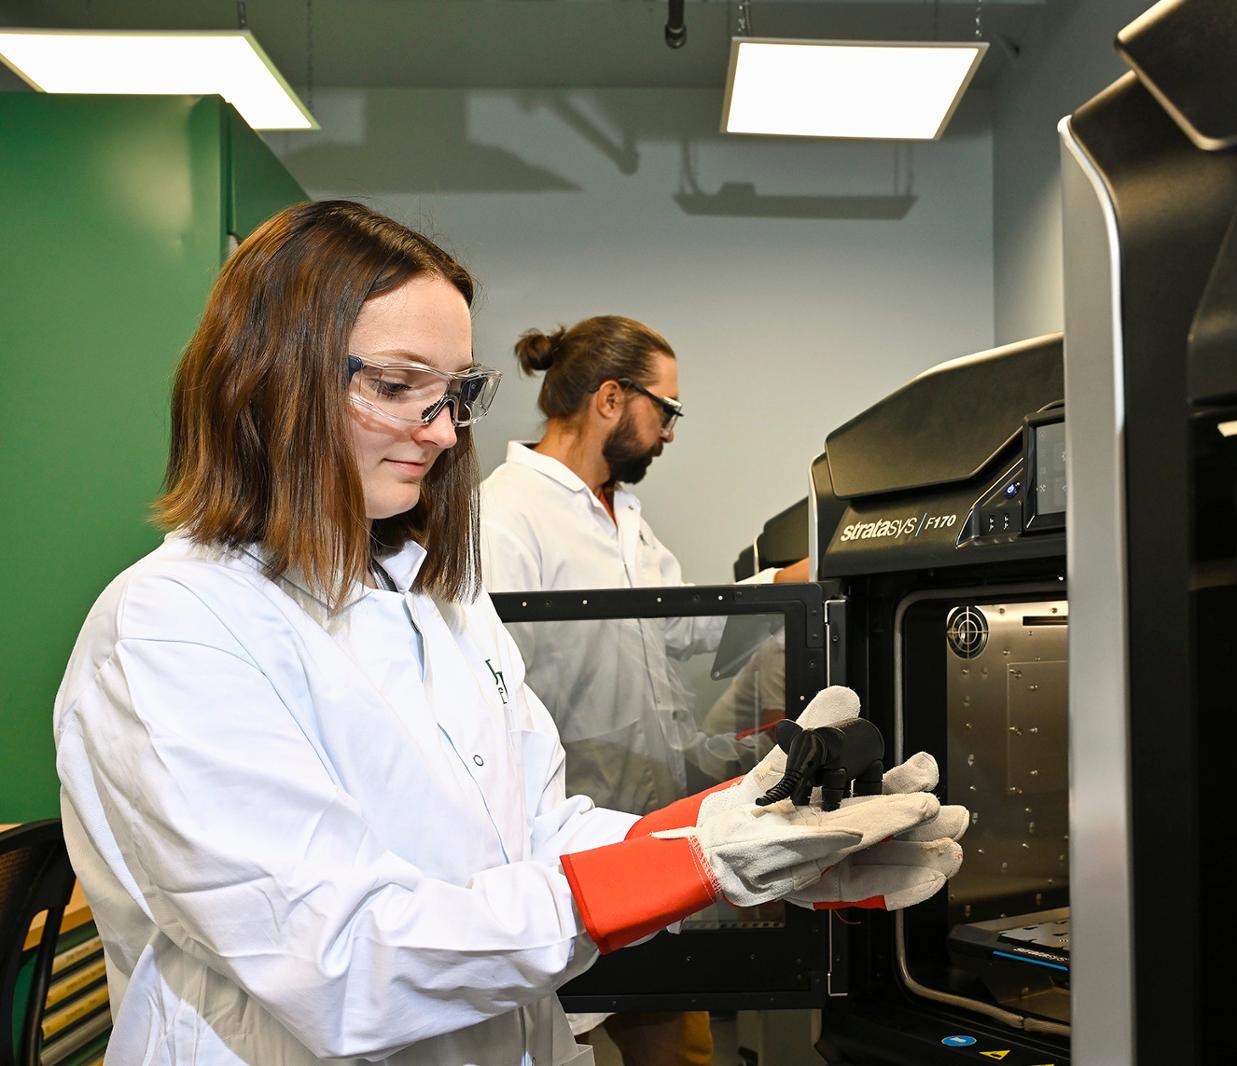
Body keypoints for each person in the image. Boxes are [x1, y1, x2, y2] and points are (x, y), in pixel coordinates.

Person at [51, 201, 967, 1066]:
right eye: (401, 386)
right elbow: (342, 961)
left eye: (455, 392)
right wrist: (698, 863)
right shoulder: (173, 629)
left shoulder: (435, 600)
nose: (445, 432)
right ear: (268, 380)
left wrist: (758, 837)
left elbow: (537, 833)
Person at [477, 317, 803, 1064]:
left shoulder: (623, 515)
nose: (671, 432)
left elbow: (681, 629)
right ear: (611, 399)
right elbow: (488, 686)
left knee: (678, 1051)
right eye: (668, 410)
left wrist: (786, 589)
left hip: (648, 834)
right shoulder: (507, 515)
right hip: (566, 856)